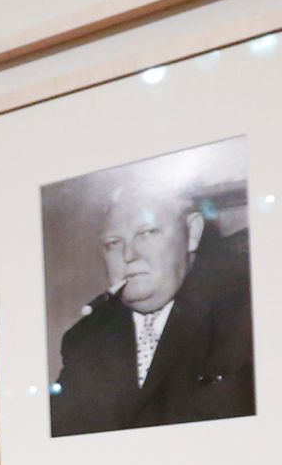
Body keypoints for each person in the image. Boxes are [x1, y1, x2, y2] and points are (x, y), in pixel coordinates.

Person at [50, 183, 255, 437]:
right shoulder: (84, 339)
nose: (129, 255)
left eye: (147, 233)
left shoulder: (246, 314)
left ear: (192, 232)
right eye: (113, 243)